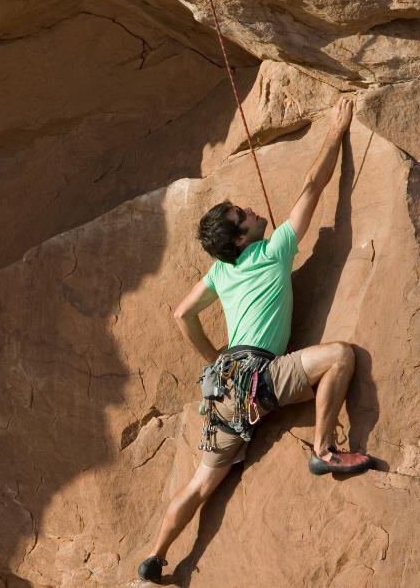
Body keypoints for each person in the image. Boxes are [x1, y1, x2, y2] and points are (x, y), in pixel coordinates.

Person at [137, 96, 374, 584]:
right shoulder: (273, 250)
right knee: (339, 357)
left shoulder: (221, 271)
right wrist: (336, 132)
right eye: (241, 214)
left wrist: (214, 358)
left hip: (222, 390)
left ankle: (154, 561)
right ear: (242, 238)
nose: (249, 208)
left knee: (202, 484)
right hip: (259, 377)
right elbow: (314, 185)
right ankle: (324, 451)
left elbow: (182, 314)